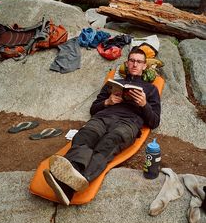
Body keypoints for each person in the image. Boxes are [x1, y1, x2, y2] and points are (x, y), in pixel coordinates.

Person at [43, 47, 161, 205]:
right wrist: (108, 101)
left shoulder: (150, 90)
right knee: (86, 135)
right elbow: (93, 109)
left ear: (144, 66)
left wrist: (144, 104)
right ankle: (72, 176)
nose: (135, 64)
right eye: (132, 60)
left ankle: (68, 185)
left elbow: (154, 122)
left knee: (109, 142)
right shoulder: (113, 84)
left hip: (128, 123)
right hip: (103, 117)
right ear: (127, 63)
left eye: (139, 62)